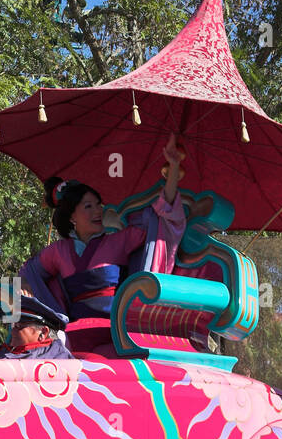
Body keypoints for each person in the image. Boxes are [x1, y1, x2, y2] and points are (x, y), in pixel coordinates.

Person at [20, 135, 188, 336]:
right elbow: (29, 271)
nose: (98, 211)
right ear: (72, 216)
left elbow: (162, 216)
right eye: (88, 206)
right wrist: (25, 287)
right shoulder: (59, 251)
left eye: (99, 205)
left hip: (116, 334)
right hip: (73, 334)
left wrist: (173, 166)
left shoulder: (119, 241)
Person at [0, 296, 73, 360]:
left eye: (19, 326)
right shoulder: (0, 351)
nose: (12, 331)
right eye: (13, 325)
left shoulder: (57, 359)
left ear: (43, 332)